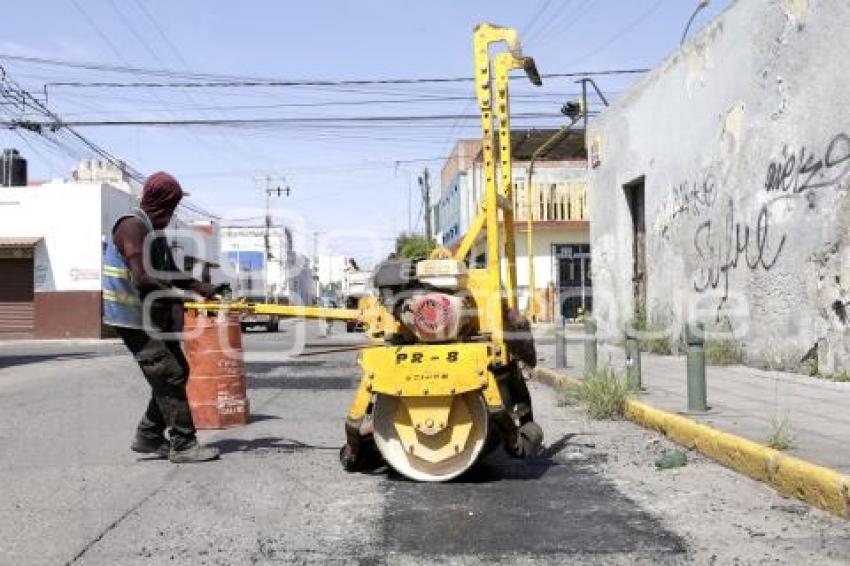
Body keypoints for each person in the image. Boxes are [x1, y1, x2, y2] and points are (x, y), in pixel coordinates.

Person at [103, 171, 223, 463]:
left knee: (177, 368)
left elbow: (173, 274)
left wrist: (203, 288)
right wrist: (183, 298)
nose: (171, 216)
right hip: (132, 317)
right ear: (158, 203)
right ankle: (183, 444)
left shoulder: (155, 234)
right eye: (170, 209)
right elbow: (142, 279)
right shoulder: (131, 227)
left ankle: (149, 436)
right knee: (168, 373)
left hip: (150, 315)